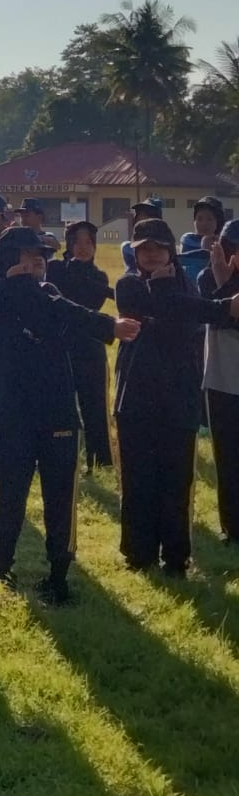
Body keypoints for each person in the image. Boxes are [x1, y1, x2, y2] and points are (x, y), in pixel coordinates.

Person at [0, 227, 140, 603]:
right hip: (11, 416)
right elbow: (13, 314)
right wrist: (109, 326)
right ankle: (0, 567)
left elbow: (63, 311)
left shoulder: (49, 293)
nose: (39, 259)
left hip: (59, 414)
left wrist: (107, 326)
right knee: (10, 496)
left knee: (61, 497)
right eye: (28, 253)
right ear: (8, 258)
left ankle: (58, 575)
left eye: (43, 254)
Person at [115, 217, 239, 575]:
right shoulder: (128, 284)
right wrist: (221, 308)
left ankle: (175, 557)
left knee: (176, 481)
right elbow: (168, 312)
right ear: (135, 253)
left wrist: (215, 307)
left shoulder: (187, 285)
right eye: (144, 249)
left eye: (158, 247)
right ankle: (139, 554)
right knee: (138, 480)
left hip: (179, 398)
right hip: (136, 397)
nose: (152, 254)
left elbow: (183, 318)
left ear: (171, 250)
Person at [46, 221, 114, 470]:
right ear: (69, 245)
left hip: (91, 348)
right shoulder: (55, 269)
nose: (83, 248)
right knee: (60, 405)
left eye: (88, 242)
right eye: (77, 242)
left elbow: (89, 304)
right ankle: (59, 457)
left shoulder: (99, 276)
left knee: (95, 406)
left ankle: (100, 460)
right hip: (61, 347)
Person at [199, 219, 239, 542]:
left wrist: (226, 286)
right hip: (222, 379)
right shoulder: (205, 276)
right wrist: (224, 284)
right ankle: (232, 527)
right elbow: (215, 315)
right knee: (227, 458)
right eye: (231, 249)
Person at [181, 196, 226, 287]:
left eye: (210, 219)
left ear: (218, 222)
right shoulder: (187, 241)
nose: (204, 223)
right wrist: (203, 251)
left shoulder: (225, 245)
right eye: (199, 219)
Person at [120, 198, 164, 272]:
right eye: (139, 213)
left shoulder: (163, 237)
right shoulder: (129, 245)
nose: (140, 217)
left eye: (144, 214)